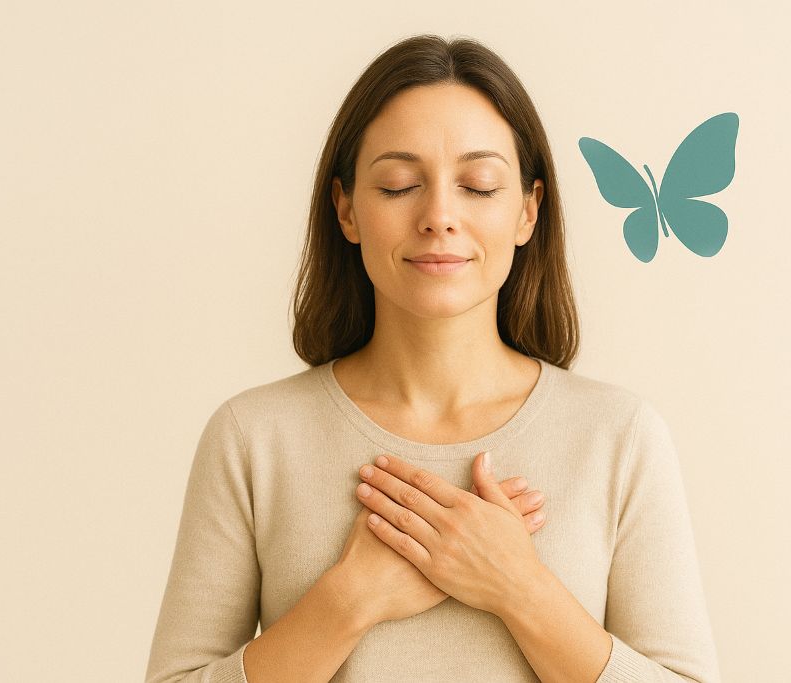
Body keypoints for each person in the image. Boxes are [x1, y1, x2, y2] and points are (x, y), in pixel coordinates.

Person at [145, 34, 721, 682]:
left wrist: (520, 588)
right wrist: (347, 600)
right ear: (346, 208)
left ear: (528, 211)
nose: (439, 215)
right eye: (399, 186)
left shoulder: (620, 437)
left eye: (479, 185)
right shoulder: (252, 437)